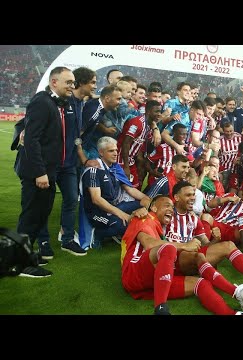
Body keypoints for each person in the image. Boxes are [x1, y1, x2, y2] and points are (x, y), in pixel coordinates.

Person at [121, 195, 243, 315]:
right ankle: (161, 309)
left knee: (201, 284)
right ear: (153, 207)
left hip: (155, 278)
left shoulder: (166, 226)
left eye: (172, 207)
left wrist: (212, 240)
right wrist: (185, 245)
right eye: (166, 205)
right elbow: (150, 244)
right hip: (134, 272)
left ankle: (234, 313)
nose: (171, 210)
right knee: (168, 249)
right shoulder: (144, 218)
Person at [163, 180, 243, 295]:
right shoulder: (166, 215)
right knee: (198, 255)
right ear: (176, 197)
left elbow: (206, 247)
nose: (192, 198)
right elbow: (154, 242)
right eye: (188, 195)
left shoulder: (193, 219)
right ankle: (236, 290)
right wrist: (184, 246)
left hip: (191, 258)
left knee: (228, 245)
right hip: (171, 261)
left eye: (193, 195)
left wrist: (215, 240)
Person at [15, 66, 75, 267]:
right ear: (54, 82)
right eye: (68, 82)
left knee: (39, 215)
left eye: (73, 82)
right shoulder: (42, 102)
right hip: (38, 173)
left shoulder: (53, 103)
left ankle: (25, 255)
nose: (72, 86)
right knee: (31, 217)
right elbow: (31, 140)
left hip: (48, 172)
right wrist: (40, 172)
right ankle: (20, 262)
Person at [37, 67, 97, 258]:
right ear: (82, 83)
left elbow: (76, 135)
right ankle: (43, 242)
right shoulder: (61, 101)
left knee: (71, 200)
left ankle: (68, 239)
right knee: (44, 204)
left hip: (69, 164)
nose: (95, 86)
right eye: (93, 82)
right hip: (52, 163)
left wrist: (81, 156)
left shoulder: (81, 102)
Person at [80, 137, 151, 247]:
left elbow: (130, 189)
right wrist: (121, 214)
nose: (115, 153)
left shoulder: (115, 168)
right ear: (101, 153)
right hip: (97, 212)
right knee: (123, 225)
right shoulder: (93, 170)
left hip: (115, 206)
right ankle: (97, 234)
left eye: (116, 150)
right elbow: (96, 199)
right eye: (111, 151)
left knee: (146, 206)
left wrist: (147, 199)